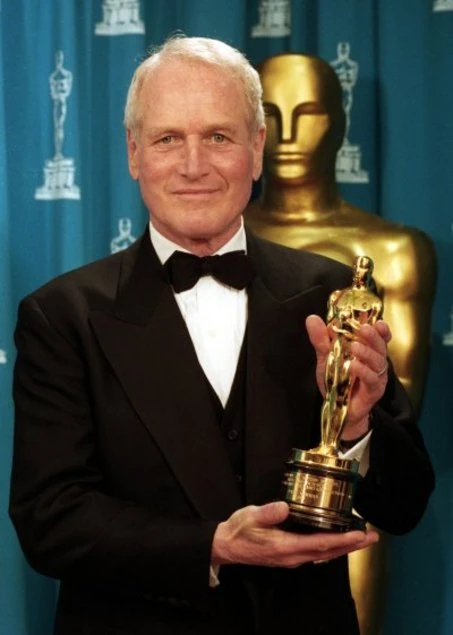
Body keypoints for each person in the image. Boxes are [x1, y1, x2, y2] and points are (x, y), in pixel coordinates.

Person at [10, 37, 434, 635]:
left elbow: (406, 505)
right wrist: (211, 545)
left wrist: (358, 426)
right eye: (167, 139)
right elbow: (50, 522)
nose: (193, 166)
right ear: (133, 152)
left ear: (256, 149)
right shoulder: (62, 316)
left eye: (217, 137)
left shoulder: (333, 295)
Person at [245, 52, 437, 634]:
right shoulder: (212, 240)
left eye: (307, 113)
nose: (288, 135)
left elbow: (399, 412)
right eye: (271, 115)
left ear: (340, 122)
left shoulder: (395, 250)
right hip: (224, 510)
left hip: (350, 501)